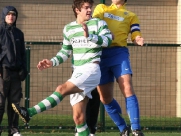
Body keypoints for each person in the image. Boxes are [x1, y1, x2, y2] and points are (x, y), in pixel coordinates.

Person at [11, 0, 112, 136]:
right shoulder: (68, 28)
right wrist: (51, 62)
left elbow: (108, 40)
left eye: (90, 8)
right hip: (77, 71)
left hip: (91, 69)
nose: (90, 10)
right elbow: (65, 52)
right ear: (77, 10)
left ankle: (30, 112)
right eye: (86, 8)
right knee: (78, 119)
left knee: (61, 89)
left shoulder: (99, 23)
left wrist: (90, 36)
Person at [92, 0, 144, 136]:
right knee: (105, 98)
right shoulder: (101, 8)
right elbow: (94, 23)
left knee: (127, 87)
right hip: (100, 53)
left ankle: (136, 129)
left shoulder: (131, 15)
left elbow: (135, 32)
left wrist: (137, 38)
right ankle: (123, 129)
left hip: (119, 53)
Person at [0, 6, 28, 136]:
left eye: (13, 15)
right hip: (3, 72)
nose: (11, 17)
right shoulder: (0, 31)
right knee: (0, 102)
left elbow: (22, 53)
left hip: (16, 73)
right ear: (4, 16)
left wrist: (23, 69)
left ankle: (14, 130)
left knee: (15, 103)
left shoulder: (19, 33)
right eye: (8, 14)